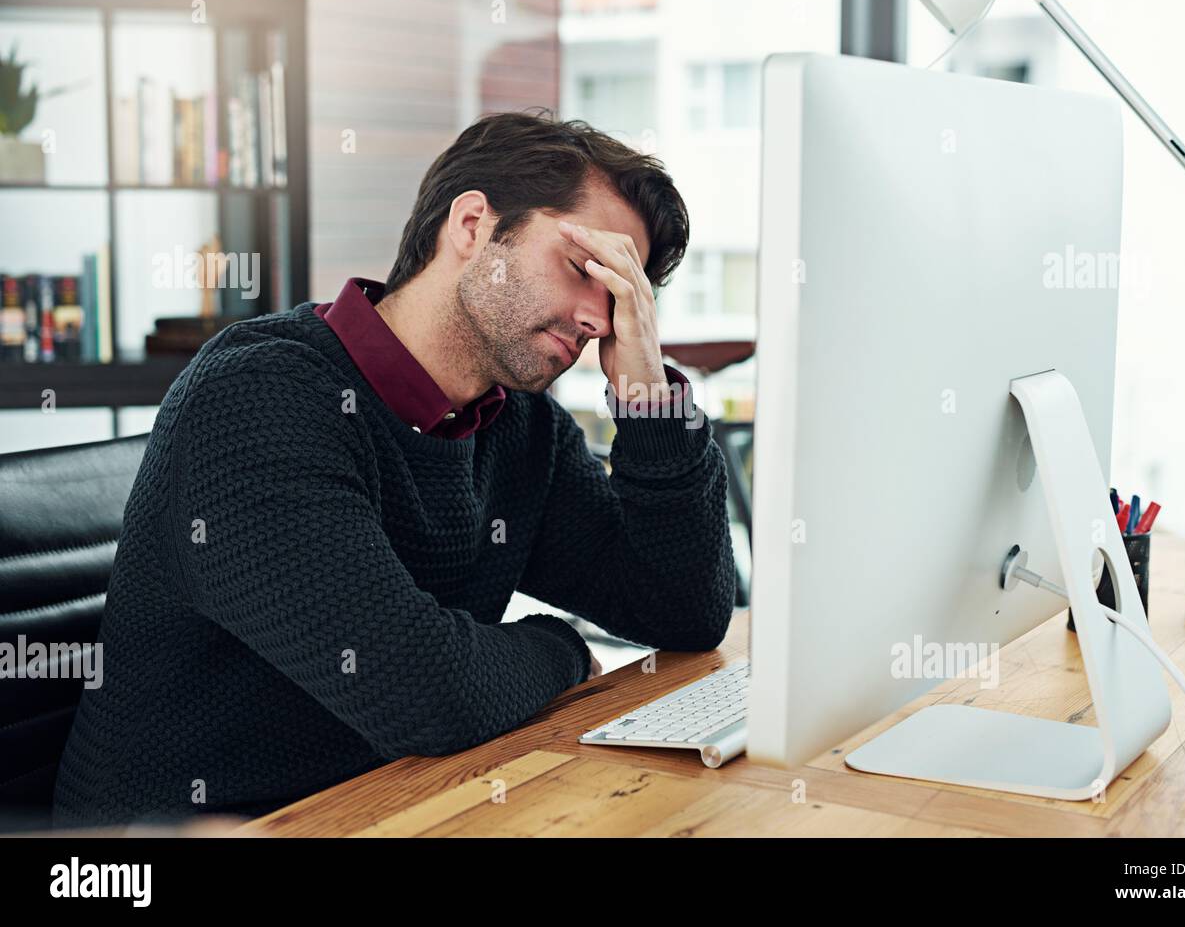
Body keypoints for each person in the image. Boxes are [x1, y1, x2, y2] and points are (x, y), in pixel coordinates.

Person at [52, 111, 736, 826]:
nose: (602, 318)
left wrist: (649, 396)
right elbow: (423, 690)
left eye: (624, 294)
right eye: (584, 268)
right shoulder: (259, 398)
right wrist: (562, 645)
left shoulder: (518, 427)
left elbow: (682, 610)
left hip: (395, 803)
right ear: (472, 226)